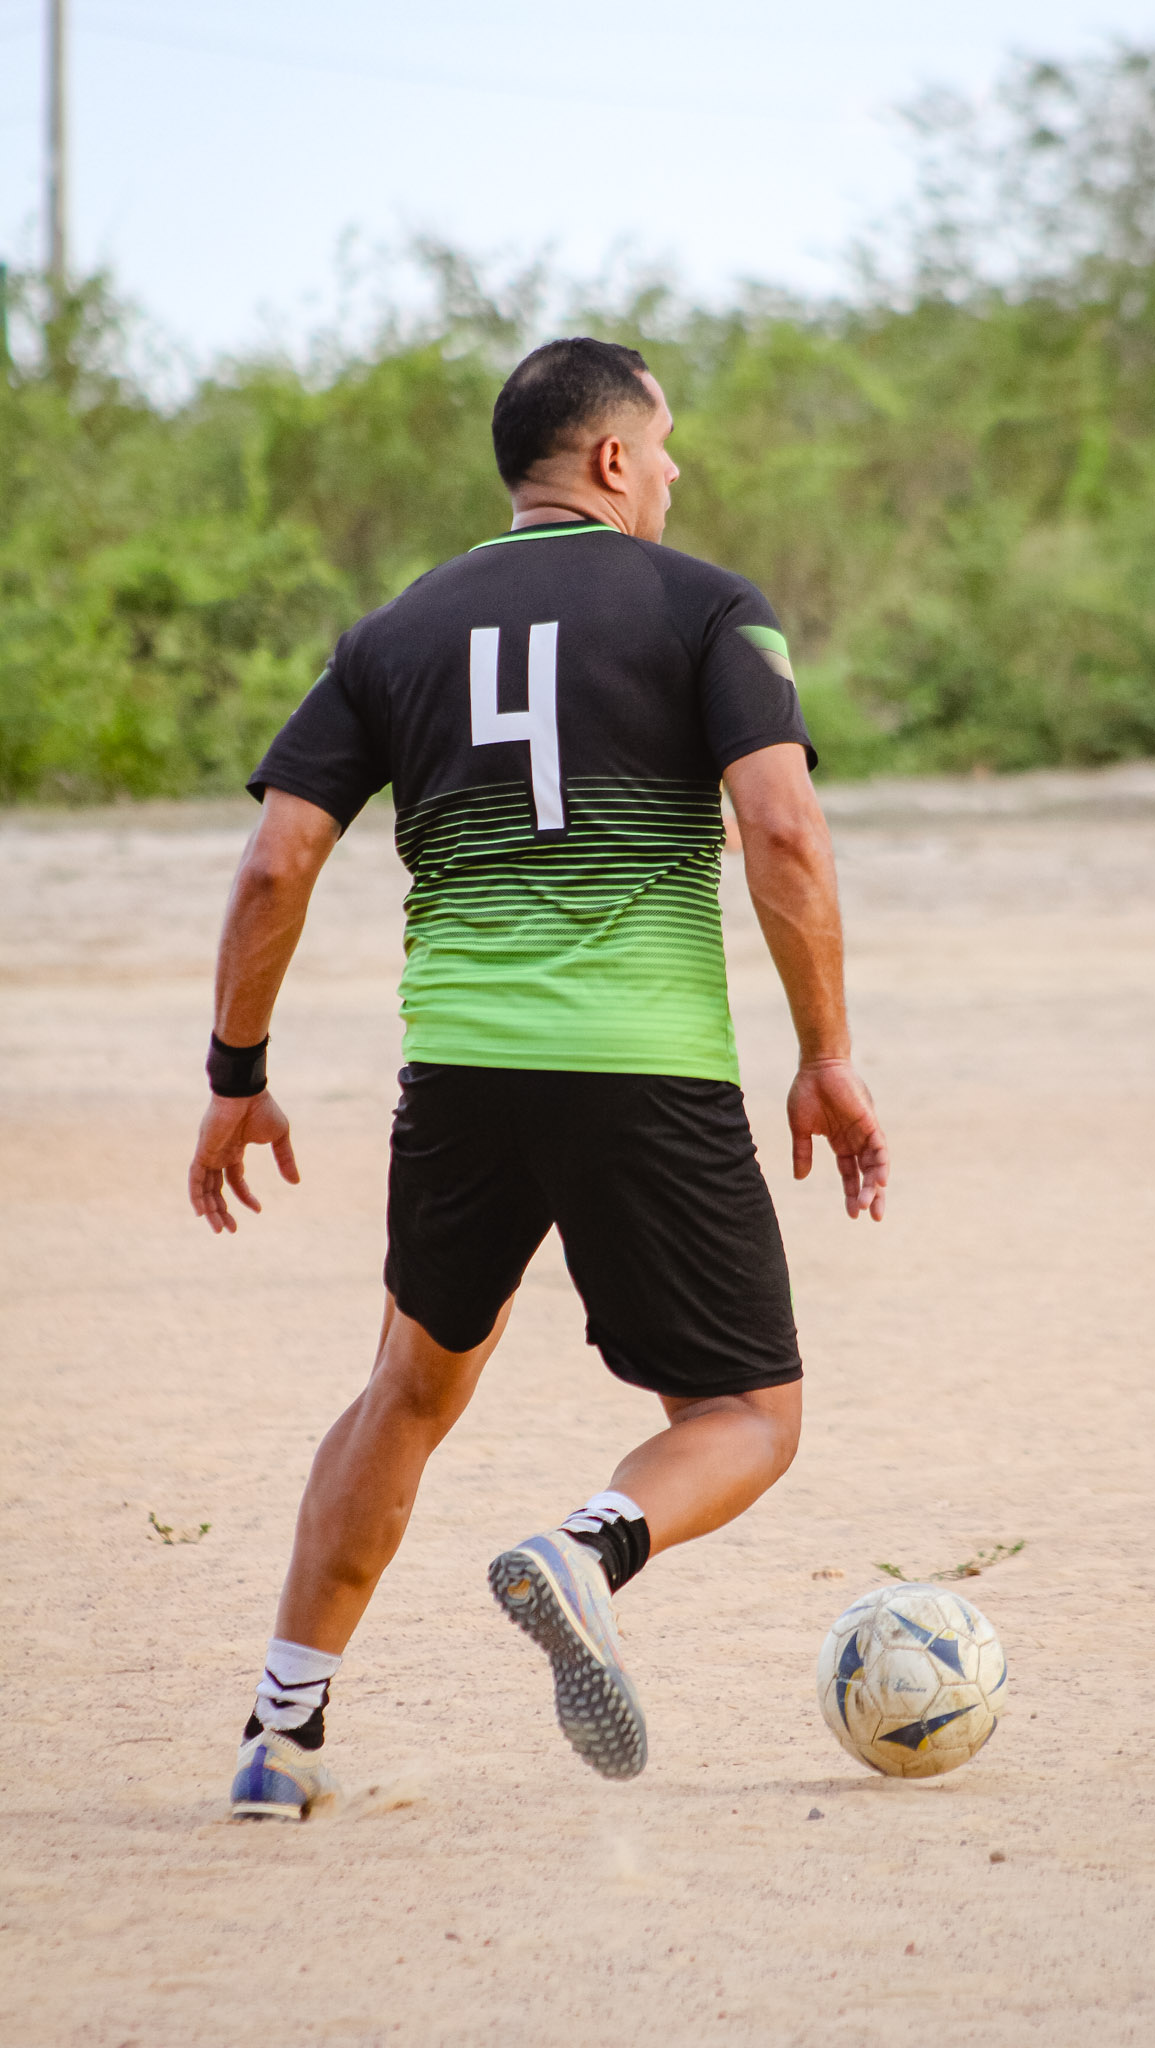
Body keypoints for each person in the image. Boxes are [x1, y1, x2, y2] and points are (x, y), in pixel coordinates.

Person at [189, 336, 889, 1821]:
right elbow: (782, 832)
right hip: (644, 1068)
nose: (676, 471)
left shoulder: (394, 632)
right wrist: (825, 1055)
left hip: (460, 1074)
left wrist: (237, 1072)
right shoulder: (709, 609)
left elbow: (275, 864)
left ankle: (278, 1735)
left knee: (406, 1387)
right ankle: (587, 1549)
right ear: (614, 458)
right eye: (666, 445)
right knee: (747, 1415)